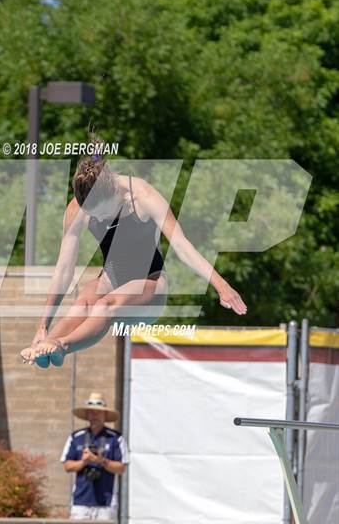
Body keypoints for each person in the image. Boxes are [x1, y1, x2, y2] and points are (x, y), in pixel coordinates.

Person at [20, 133, 247, 368]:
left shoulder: (143, 196)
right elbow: (64, 269)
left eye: (102, 214)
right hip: (110, 278)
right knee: (81, 303)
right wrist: (42, 325)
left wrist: (222, 286)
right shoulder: (78, 208)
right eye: (93, 216)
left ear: (116, 195)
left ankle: (63, 346)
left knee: (104, 306)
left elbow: (181, 245)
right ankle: (45, 346)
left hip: (149, 285)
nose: (98, 219)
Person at [60, 392, 129, 521]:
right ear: (87, 415)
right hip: (80, 502)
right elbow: (67, 465)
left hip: (106, 503)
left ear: (105, 415)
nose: (94, 416)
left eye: (98, 413)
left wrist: (101, 461)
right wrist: (83, 462)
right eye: (91, 412)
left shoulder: (115, 438)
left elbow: (121, 468)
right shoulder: (76, 437)